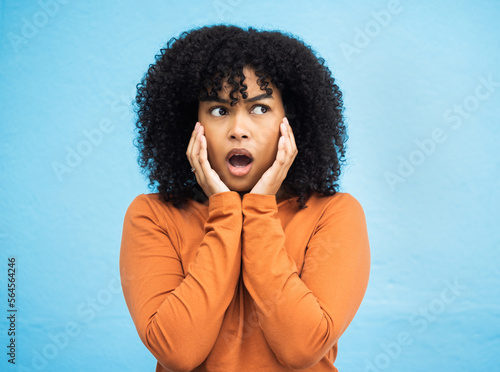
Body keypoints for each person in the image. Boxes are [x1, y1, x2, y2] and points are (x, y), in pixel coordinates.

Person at [120, 24, 370, 372]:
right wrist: (225, 213)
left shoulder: (334, 214)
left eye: (260, 109)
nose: (239, 128)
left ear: (291, 121)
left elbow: (300, 348)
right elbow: (178, 351)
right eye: (219, 111)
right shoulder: (152, 215)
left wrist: (258, 210)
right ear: (191, 124)